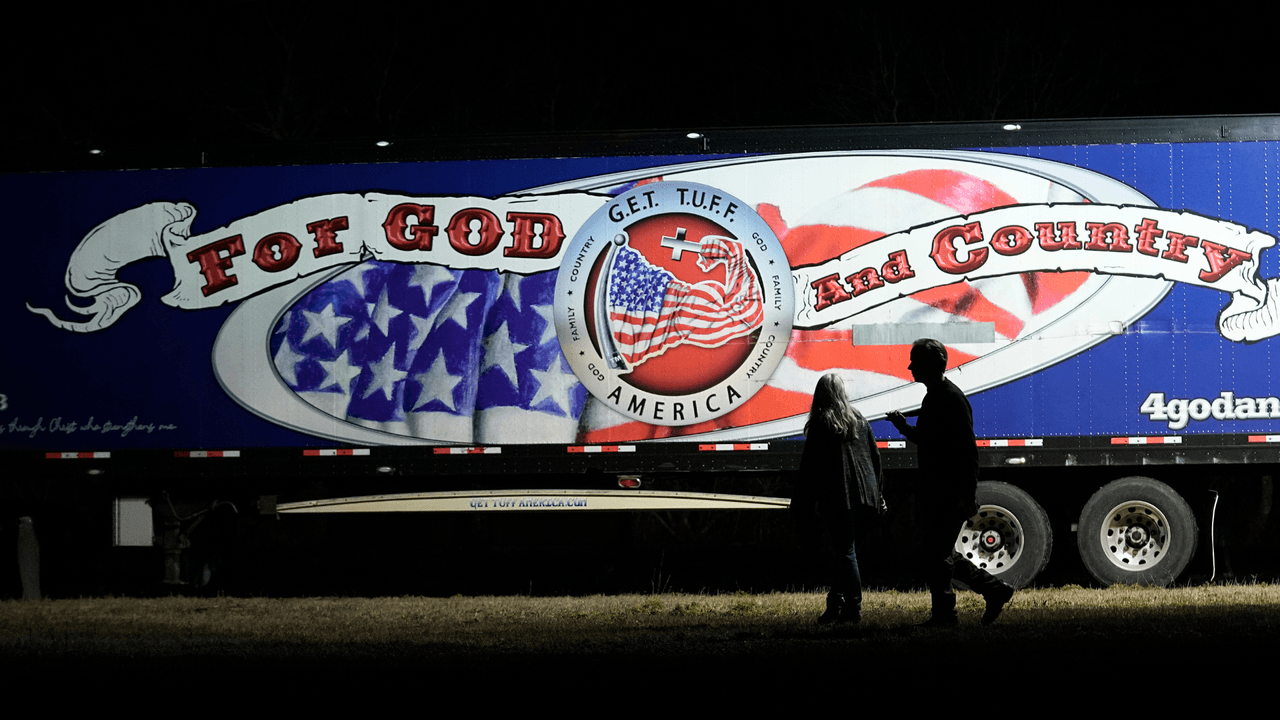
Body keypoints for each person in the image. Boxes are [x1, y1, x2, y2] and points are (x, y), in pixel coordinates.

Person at [887, 338, 1014, 627]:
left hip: (948, 491)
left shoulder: (948, 398)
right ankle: (993, 591)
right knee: (941, 552)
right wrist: (903, 426)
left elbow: (968, 450)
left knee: (937, 554)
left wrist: (967, 493)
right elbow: (928, 439)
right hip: (940, 490)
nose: (909, 366)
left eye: (915, 361)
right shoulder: (936, 396)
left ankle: (946, 613)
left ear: (930, 365)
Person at [792, 373, 885, 625]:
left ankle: (852, 609)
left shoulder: (822, 422)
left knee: (843, 552)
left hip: (840, 498)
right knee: (843, 552)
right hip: (866, 497)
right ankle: (835, 605)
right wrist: (879, 495)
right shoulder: (859, 419)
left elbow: (810, 467)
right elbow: (875, 458)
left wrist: (802, 501)